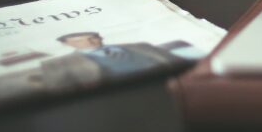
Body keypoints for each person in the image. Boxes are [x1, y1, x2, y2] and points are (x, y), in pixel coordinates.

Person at [40, 32, 184, 91]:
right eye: (81, 40)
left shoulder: (140, 45)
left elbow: (179, 62)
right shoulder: (56, 65)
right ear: (68, 44)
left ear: (100, 37)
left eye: (92, 37)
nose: (90, 42)